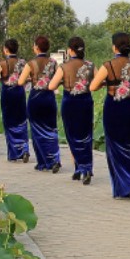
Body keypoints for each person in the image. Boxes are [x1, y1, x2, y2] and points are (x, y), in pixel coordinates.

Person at [90, 32, 130, 201]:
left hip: (113, 108)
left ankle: (123, 188)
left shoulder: (108, 65)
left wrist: (107, 83)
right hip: (129, 107)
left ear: (114, 47)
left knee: (114, 147)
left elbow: (93, 86)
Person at [48, 37, 95, 184]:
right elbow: (98, 82)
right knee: (86, 135)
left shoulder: (64, 67)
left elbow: (51, 86)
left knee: (72, 136)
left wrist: (63, 82)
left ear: (70, 50)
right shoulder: (90, 65)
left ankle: (80, 167)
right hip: (86, 101)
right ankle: (84, 168)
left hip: (70, 102)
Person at [19, 37, 62, 172]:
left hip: (35, 98)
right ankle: (54, 159)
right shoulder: (53, 62)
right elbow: (58, 79)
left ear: (36, 48)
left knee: (36, 129)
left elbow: (20, 82)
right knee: (51, 128)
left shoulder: (31, 63)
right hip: (49, 97)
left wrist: (31, 79)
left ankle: (43, 162)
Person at [0, 38, 30, 162]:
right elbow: (28, 77)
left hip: (7, 93)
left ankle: (15, 152)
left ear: (6, 50)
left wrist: (1, 78)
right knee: (21, 120)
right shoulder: (23, 63)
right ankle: (24, 149)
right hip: (19, 92)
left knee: (9, 121)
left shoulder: (2, 64)